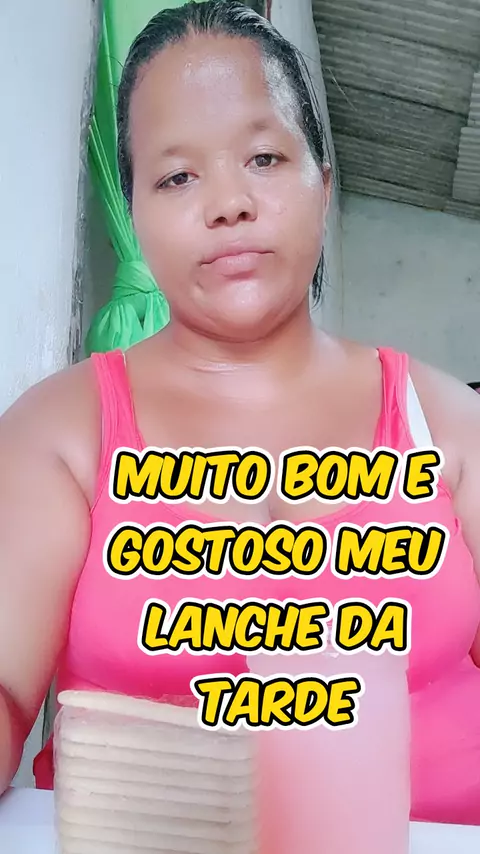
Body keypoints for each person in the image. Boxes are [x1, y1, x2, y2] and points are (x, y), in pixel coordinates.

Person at [0, 0, 479, 826]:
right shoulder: (60, 433)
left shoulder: (447, 422)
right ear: (136, 215)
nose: (228, 203)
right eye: (177, 177)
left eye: (263, 157)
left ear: (322, 184)